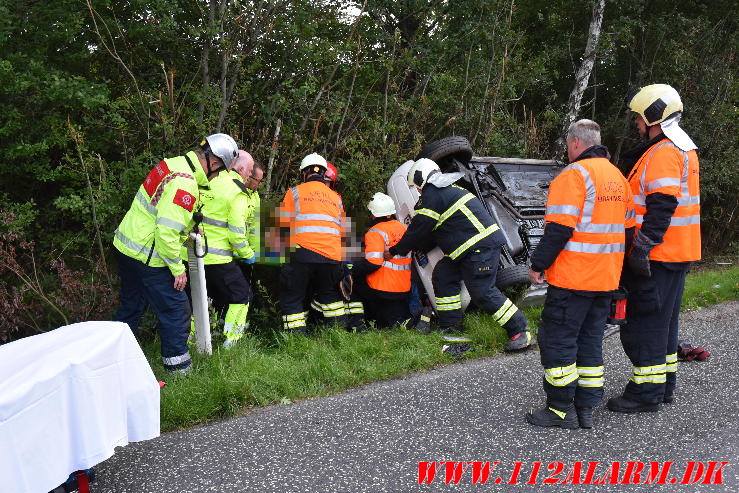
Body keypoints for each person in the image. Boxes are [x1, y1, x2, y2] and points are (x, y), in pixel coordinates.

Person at [525, 119, 635, 429]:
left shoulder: (573, 176)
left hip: (573, 279)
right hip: (605, 280)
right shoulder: (618, 178)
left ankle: (560, 410)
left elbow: (559, 228)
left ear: (575, 143)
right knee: (589, 342)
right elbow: (628, 234)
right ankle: (585, 408)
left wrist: (538, 265)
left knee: (559, 341)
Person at [607, 84, 701, 413]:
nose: (635, 123)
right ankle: (664, 386)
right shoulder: (682, 147)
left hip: (658, 255)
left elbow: (662, 205)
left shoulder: (663, 152)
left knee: (644, 323)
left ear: (653, 115)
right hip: (677, 251)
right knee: (665, 323)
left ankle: (645, 393)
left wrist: (642, 247)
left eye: (638, 117)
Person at [113, 134, 239, 373]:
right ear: (213, 162)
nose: (219, 176)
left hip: (127, 248)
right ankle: (179, 371)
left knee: (131, 307)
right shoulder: (186, 183)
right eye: (221, 170)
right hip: (148, 254)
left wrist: (189, 222)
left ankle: (114, 362)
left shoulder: (173, 164)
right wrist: (177, 269)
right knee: (175, 309)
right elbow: (166, 233)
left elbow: (159, 206)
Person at [386, 158, 532, 350]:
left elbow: (419, 229)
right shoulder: (446, 192)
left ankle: (520, 330)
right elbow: (432, 234)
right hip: (468, 250)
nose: (418, 192)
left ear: (421, 181)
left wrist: (395, 250)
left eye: (417, 188)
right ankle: (452, 328)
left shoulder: (434, 194)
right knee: (444, 275)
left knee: (482, 292)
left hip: (479, 249)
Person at [193, 150, 257, 348]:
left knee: (199, 297)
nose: (250, 175)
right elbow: (236, 232)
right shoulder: (237, 190)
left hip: (193, 254)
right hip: (218, 258)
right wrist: (248, 254)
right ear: (240, 168)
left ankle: (193, 340)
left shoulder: (209, 179)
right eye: (250, 170)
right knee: (242, 295)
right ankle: (232, 341)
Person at [278, 153, 347, 333]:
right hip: (332, 256)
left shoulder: (293, 193)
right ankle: (338, 335)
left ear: (303, 173)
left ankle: (296, 339)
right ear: (324, 173)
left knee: (293, 296)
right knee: (330, 295)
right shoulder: (336, 198)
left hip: (302, 253)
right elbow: (343, 231)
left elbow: (283, 227)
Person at [348, 192, 412, 329]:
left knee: (353, 283)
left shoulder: (375, 232)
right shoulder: (402, 228)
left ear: (373, 214)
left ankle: (358, 324)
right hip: (404, 289)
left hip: (382, 290)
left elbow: (373, 264)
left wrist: (350, 269)